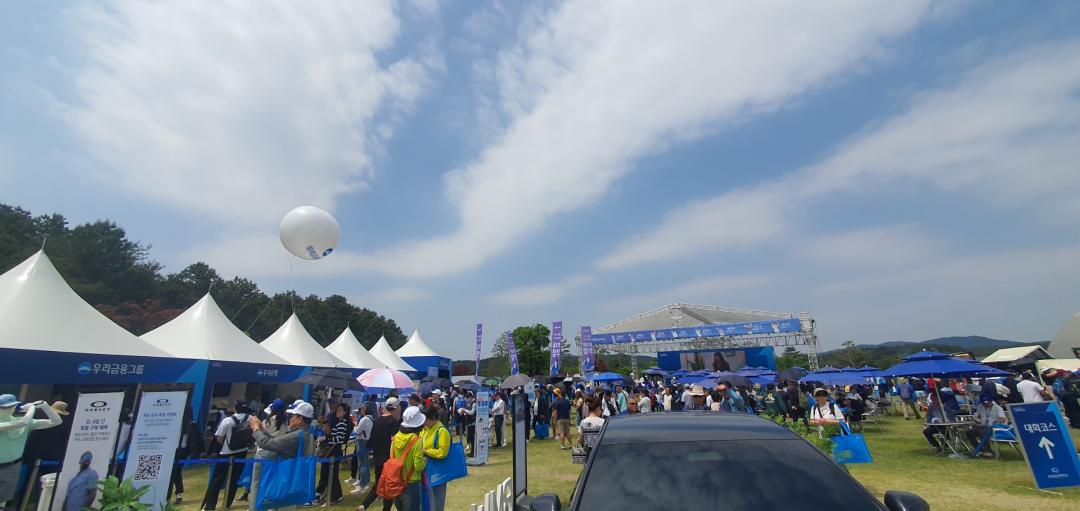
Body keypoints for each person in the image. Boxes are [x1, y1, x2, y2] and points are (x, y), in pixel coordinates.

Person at [249, 400, 316, 511]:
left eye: (291, 416)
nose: (288, 419)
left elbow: (267, 443)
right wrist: (262, 430)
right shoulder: (306, 434)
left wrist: (256, 429)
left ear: (300, 419)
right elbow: (278, 442)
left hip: (285, 480)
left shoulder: (296, 436)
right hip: (293, 480)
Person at [201, 399, 253, 511]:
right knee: (234, 480)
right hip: (242, 452)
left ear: (235, 406)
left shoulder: (227, 420)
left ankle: (210, 506)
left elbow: (219, 439)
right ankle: (227, 505)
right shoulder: (251, 419)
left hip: (226, 453)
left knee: (216, 481)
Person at [357, 398, 401, 511]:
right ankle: (378, 507)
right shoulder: (393, 422)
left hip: (377, 457)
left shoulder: (376, 421)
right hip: (388, 458)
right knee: (389, 487)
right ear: (396, 408)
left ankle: (364, 505)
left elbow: (371, 440)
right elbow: (393, 440)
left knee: (379, 484)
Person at [249, 399, 286, 511]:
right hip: (276, 453)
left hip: (261, 453)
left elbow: (258, 437)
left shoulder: (266, 421)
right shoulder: (285, 422)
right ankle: (271, 507)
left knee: (256, 482)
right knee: (272, 482)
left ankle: (254, 507)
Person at [388, 407, 426, 511]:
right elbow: (418, 466)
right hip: (411, 483)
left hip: (396, 482)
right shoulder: (417, 441)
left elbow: (391, 458)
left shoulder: (395, 437)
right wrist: (425, 462)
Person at [314, 403, 350, 506]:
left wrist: (327, 440)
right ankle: (337, 496)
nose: (337, 412)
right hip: (333, 450)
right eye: (338, 410)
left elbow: (339, 439)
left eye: (340, 410)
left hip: (334, 450)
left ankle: (334, 497)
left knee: (333, 475)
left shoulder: (342, 423)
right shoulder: (339, 422)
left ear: (345, 412)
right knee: (332, 475)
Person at [420, 406, 450, 511]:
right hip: (425, 467)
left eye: (425, 420)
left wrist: (426, 451)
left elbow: (442, 453)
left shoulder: (442, 431)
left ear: (432, 417)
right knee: (426, 497)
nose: (423, 422)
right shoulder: (425, 429)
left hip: (437, 469)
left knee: (436, 498)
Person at [349, 403, 375, 495]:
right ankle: (365, 481)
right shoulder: (370, 418)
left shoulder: (364, 419)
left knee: (362, 464)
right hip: (365, 441)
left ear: (366, 409)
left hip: (361, 441)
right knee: (364, 463)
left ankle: (363, 484)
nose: (361, 409)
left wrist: (355, 424)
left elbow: (357, 431)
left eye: (363, 408)